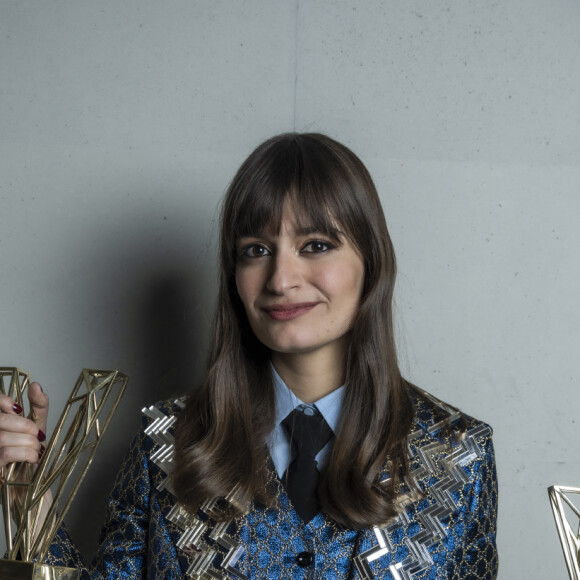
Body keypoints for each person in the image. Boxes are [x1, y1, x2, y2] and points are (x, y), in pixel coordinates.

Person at [0, 133, 498, 579]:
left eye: (317, 245)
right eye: (255, 250)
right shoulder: (166, 448)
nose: (281, 280)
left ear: (371, 262)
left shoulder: (458, 454)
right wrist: (31, 502)